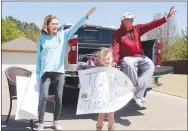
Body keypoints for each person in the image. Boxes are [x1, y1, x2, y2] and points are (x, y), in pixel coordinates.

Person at [36, 7, 96, 131]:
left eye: (57, 24)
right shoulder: (41, 39)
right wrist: (38, 73)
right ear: (47, 25)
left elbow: (75, 26)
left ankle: (56, 121)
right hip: (45, 72)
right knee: (44, 97)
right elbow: (38, 57)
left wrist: (86, 16)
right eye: (53, 23)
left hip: (59, 72)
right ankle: (40, 123)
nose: (56, 26)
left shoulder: (63, 35)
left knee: (58, 96)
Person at [112, 6, 176, 108]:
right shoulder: (118, 33)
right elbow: (115, 47)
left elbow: (151, 25)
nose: (132, 21)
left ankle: (137, 94)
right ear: (123, 21)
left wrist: (166, 18)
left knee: (150, 65)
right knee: (129, 64)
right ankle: (135, 93)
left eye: (133, 19)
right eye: (130, 19)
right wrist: (114, 60)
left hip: (140, 56)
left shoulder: (137, 28)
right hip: (127, 57)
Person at [95, 48, 115, 131]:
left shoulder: (115, 71)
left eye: (108, 58)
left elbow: (121, 84)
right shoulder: (99, 71)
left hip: (111, 96)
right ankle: (99, 128)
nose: (106, 61)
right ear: (101, 60)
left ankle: (111, 128)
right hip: (102, 96)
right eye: (104, 59)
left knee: (111, 114)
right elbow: (93, 83)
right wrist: (83, 86)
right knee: (101, 114)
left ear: (112, 58)